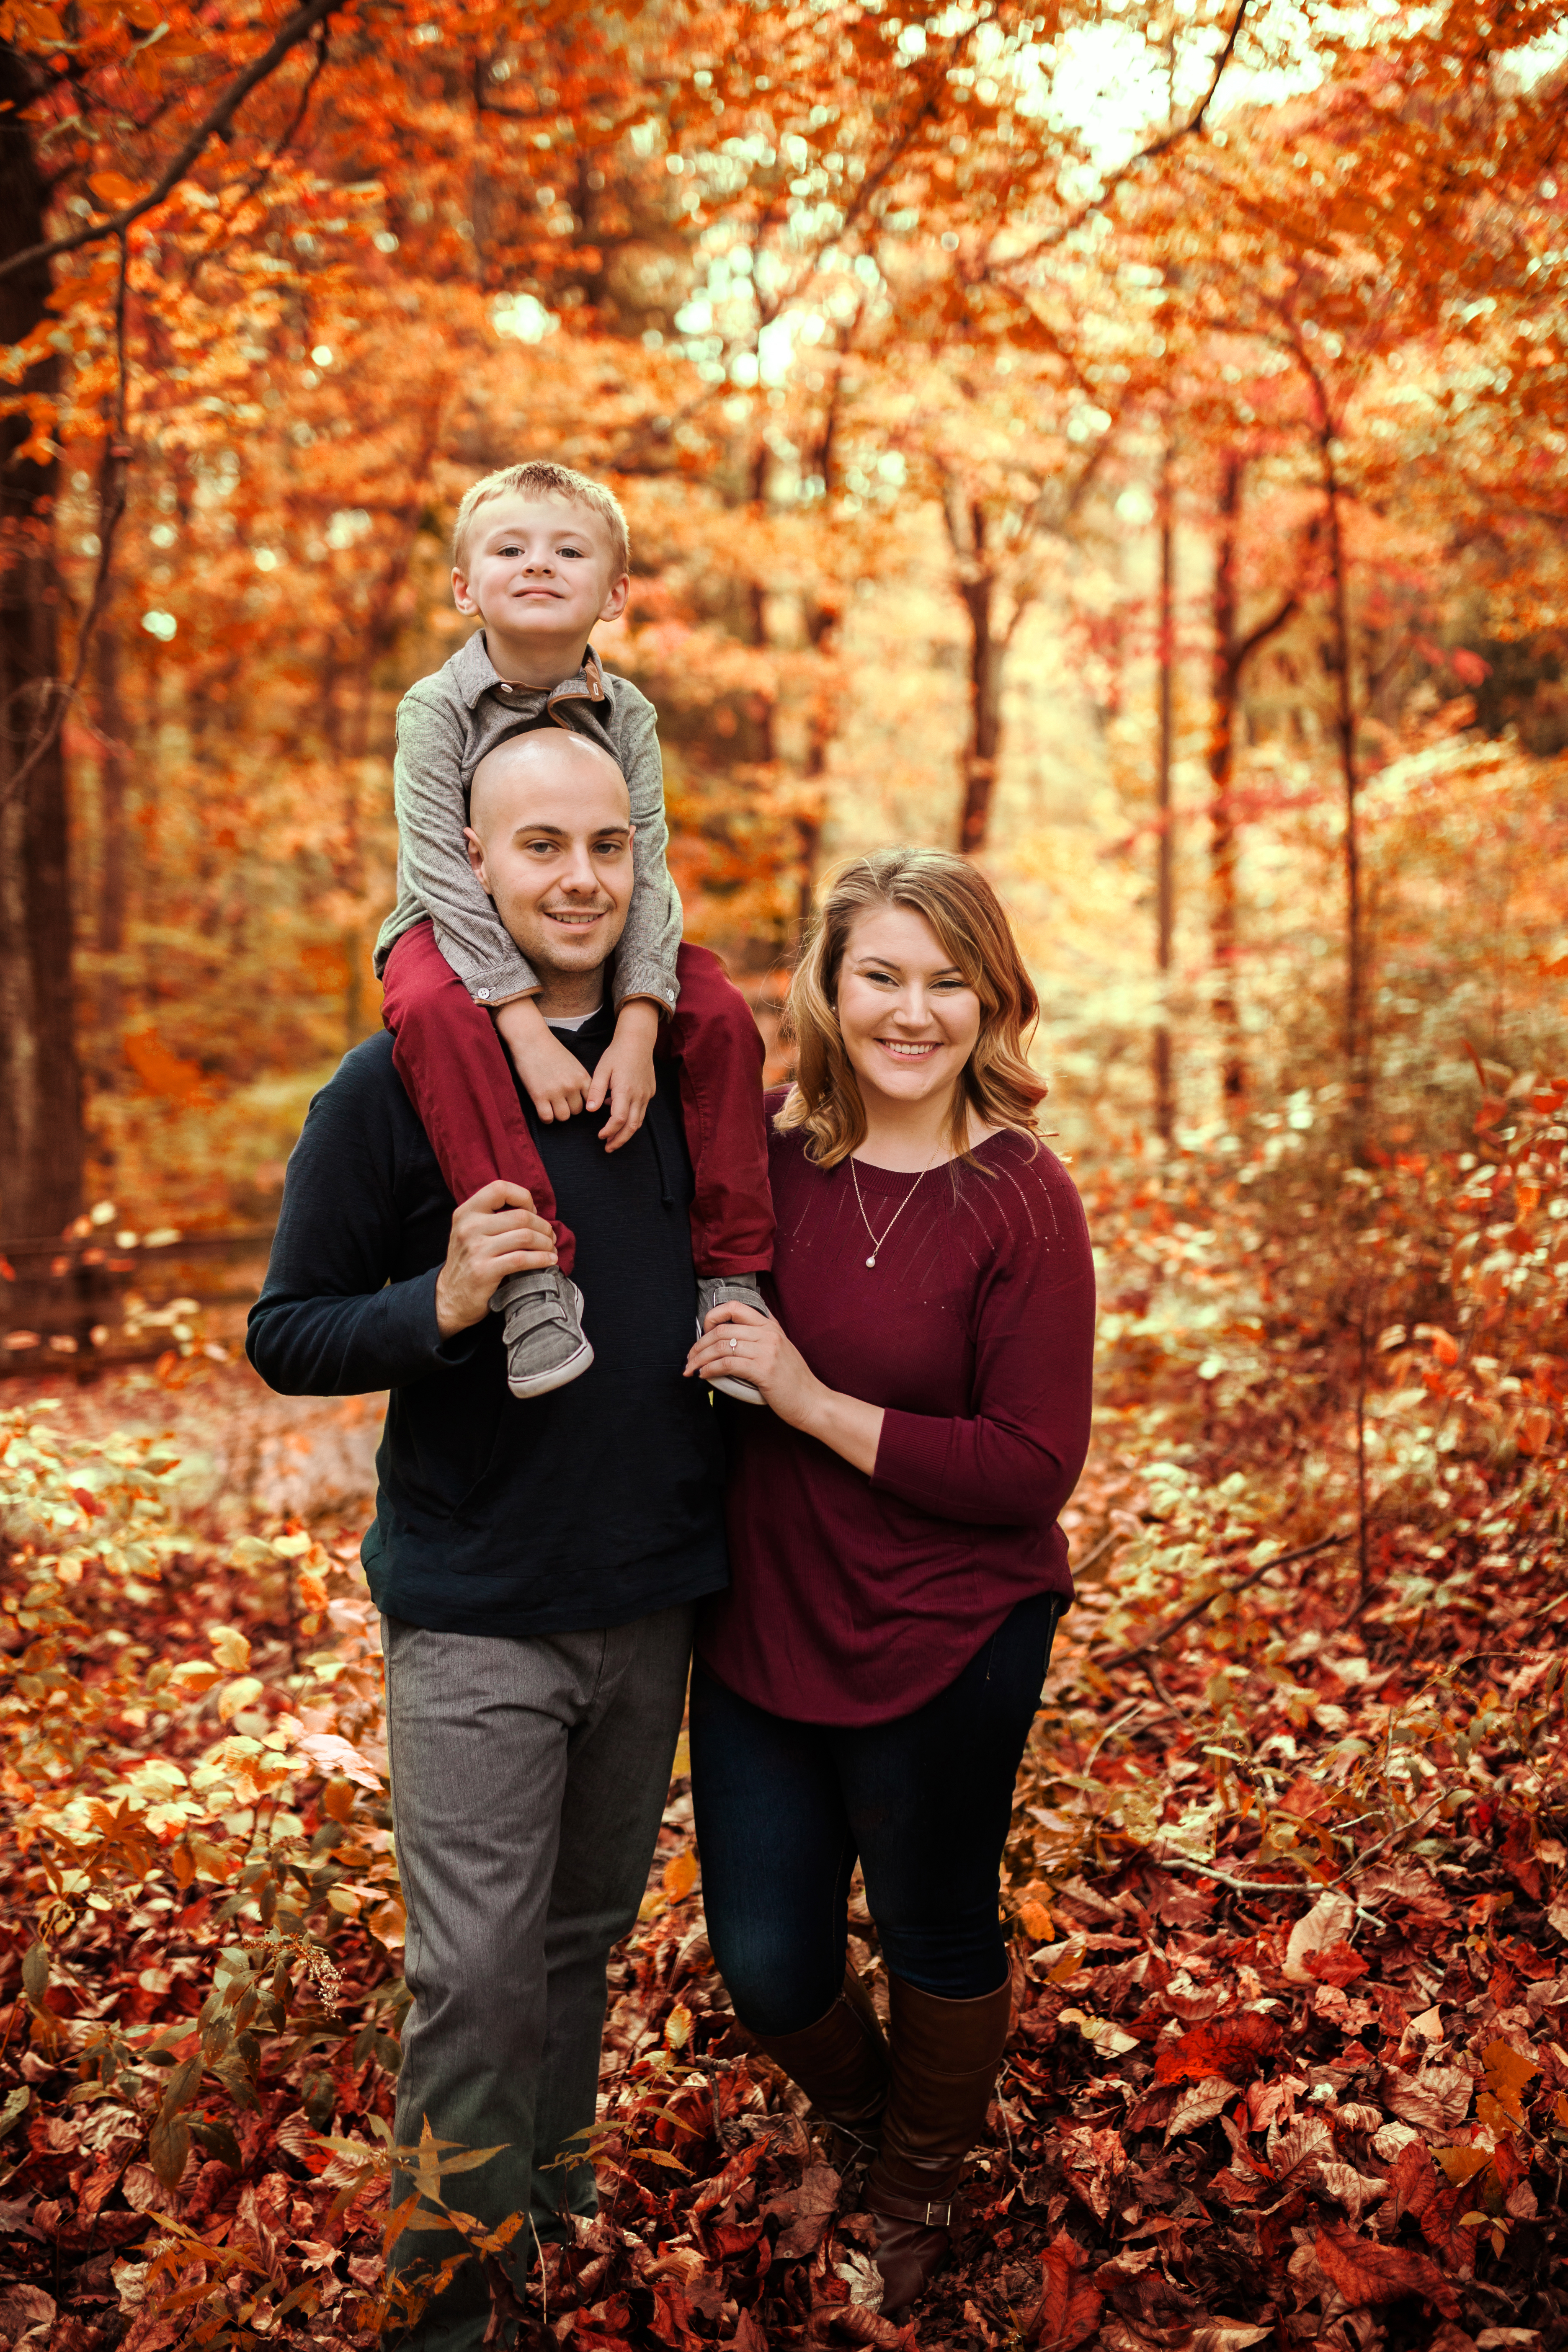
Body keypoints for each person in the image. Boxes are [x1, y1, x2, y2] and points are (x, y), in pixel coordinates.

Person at [250, 731, 736, 2350]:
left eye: (608, 844)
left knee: (582, 1944)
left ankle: (550, 2233)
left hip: (654, 1591)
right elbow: (289, 1329)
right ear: (473, 856)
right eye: (541, 847)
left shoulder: (687, 1063)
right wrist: (446, 1300)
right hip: (473, 1604)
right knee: (472, 1970)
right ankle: (449, 2308)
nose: (581, 878)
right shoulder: (391, 1082)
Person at [683, 847, 1095, 2321]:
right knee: (768, 1956)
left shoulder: (1021, 1198)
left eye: (946, 981)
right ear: (830, 985)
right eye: (881, 975)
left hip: (955, 1621)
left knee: (933, 1919)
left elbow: (1027, 1465)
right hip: (762, 1616)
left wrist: (802, 1398)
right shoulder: (759, 1163)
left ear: (989, 1001)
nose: (911, 1011)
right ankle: (875, 2111)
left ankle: (920, 2171)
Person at [374, 457, 773, 1403]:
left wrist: (640, 1024)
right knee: (433, 1015)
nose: (539, 565)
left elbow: (647, 864)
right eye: (510, 548)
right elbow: (439, 871)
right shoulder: (435, 710)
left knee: (717, 1010)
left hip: (609, 925)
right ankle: (533, 1285)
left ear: (616, 592)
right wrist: (516, 1022)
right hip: (450, 931)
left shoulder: (627, 712)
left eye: (568, 550)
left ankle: (735, 1278)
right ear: (466, 587)